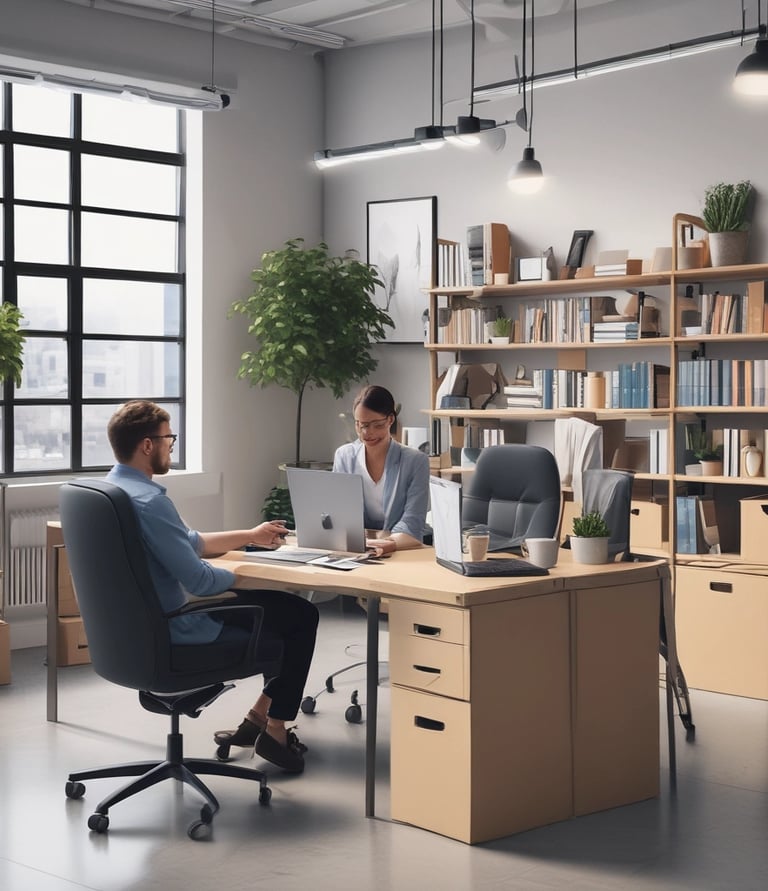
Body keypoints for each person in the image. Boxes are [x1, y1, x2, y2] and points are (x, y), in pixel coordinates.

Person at [105, 400, 318, 774]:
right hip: (180, 630)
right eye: (168, 437)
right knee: (299, 615)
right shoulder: (151, 503)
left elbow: (189, 542)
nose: (172, 444)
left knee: (287, 611)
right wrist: (253, 568)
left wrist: (250, 536)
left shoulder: (113, 493)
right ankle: (276, 732)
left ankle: (260, 719)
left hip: (132, 638)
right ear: (147, 446)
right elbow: (202, 582)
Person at [333, 385, 429, 554]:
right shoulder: (344, 457)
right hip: (355, 549)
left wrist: (385, 543)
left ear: (390, 420)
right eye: (360, 425)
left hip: (400, 549)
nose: (366, 433)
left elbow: (413, 522)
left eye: (376, 425)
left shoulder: (415, 461)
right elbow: (338, 513)